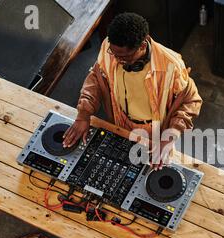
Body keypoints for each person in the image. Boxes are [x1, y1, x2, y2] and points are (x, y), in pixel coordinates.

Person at [63, 12, 202, 169]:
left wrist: (169, 137)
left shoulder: (171, 64)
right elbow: (96, 76)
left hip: (154, 133)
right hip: (119, 121)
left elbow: (191, 101)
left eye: (124, 57)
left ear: (142, 45)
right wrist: (83, 114)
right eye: (114, 55)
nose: (117, 61)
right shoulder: (109, 46)